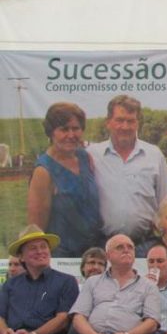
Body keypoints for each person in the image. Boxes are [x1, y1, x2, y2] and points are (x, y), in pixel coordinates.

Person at [88, 95, 167, 246]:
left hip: (146, 244)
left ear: (138, 124)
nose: (125, 126)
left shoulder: (154, 155)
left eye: (131, 121)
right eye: (120, 120)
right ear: (108, 122)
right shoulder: (92, 155)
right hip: (102, 244)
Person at [27, 102, 103, 257]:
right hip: (62, 257)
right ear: (51, 132)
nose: (71, 135)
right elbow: (36, 229)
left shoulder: (84, 157)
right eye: (64, 129)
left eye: (76, 129)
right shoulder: (44, 171)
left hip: (93, 254)